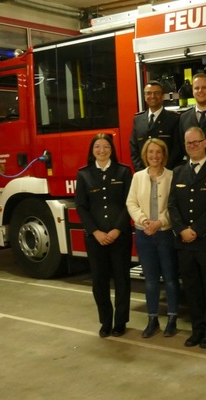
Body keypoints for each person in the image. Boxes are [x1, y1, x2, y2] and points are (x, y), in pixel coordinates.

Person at [168, 126, 206, 349]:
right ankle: (197, 330)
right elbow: (172, 205)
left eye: (196, 142)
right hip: (184, 242)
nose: (192, 146)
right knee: (191, 288)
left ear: (204, 143)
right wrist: (182, 229)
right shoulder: (178, 171)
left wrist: (196, 230)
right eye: (188, 143)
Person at [75, 133, 133, 338]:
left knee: (122, 280)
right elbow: (81, 206)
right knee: (99, 282)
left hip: (120, 237)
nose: (102, 150)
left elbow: (129, 203)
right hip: (95, 239)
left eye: (106, 146)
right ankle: (106, 321)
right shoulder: (84, 174)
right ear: (92, 151)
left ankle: (120, 322)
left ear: (112, 150)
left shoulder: (123, 171)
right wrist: (95, 232)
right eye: (97, 147)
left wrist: (117, 229)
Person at [126, 138, 179, 338]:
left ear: (164, 155)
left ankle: (172, 319)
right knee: (150, 280)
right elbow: (131, 202)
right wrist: (144, 220)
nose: (154, 156)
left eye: (158, 152)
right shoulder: (138, 177)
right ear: (145, 155)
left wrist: (160, 222)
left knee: (170, 279)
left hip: (165, 234)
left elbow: (174, 205)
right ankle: (152, 319)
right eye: (150, 152)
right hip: (144, 234)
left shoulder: (172, 176)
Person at [130, 81, 182, 171]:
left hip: (167, 173)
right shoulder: (138, 120)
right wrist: (142, 171)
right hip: (144, 173)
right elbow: (134, 149)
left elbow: (177, 149)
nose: (153, 96)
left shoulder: (174, 119)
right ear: (144, 96)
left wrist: (163, 171)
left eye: (156, 93)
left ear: (162, 96)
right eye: (149, 93)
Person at [178, 73, 206, 160]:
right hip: (192, 167)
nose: (200, 91)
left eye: (204, 87)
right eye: (196, 88)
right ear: (192, 91)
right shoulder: (184, 118)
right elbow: (182, 147)